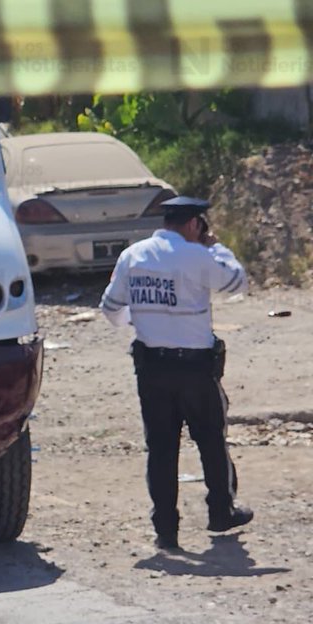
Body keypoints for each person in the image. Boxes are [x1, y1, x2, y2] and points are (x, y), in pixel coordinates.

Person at [100, 195, 252, 551]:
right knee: (211, 440)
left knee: (162, 448)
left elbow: (110, 308)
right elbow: (237, 283)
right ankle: (220, 512)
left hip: (152, 366)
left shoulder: (133, 255)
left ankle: (166, 530)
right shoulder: (198, 255)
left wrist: (141, 321)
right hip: (195, 368)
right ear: (195, 224)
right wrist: (218, 249)